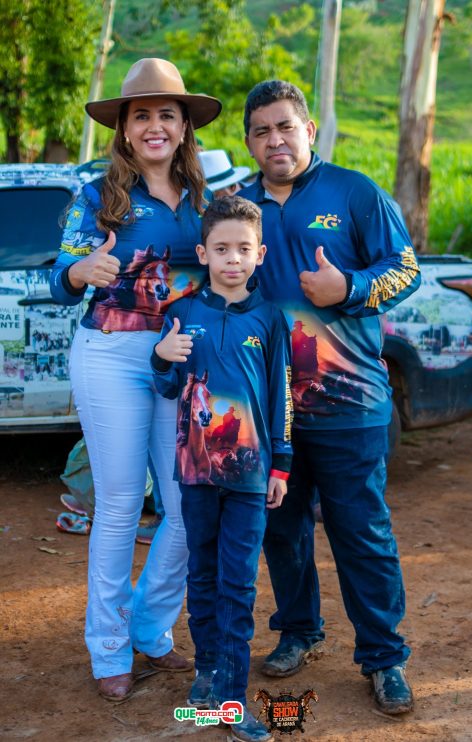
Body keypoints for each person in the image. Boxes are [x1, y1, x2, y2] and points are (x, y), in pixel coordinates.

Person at [240, 80, 421, 715]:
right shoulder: (237, 206)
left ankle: (384, 657)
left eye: (285, 126)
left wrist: (348, 285)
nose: (275, 139)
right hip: (270, 410)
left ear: (309, 129)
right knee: (281, 530)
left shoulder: (355, 193)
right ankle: (299, 631)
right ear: (249, 141)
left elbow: (405, 268)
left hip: (350, 401)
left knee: (361, 532)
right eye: (261, 130)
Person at [49, 57, 221, 702]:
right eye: (140, 115)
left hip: (182, 358)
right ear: (123, 129)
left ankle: (151, 628)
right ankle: (108, 647)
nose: (154, 125)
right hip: (112, 355)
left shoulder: (206, 199)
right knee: (121, 505)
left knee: (184, 508)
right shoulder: (98, 196)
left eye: (165, 115)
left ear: (183, 127)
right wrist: (77, 273)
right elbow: (58, 276)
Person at [151, 196, 293, 742]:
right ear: (203, 252)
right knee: (202, 574)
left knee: (239, 581)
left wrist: (281, 465)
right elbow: (165, 387)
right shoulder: (184, 313)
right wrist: (162, 355)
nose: (232, 259)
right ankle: (206, 674)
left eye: (243, 248)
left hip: (252, 476)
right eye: (221, 248)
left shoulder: (270, 319)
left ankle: (232, 699)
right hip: (196, 474)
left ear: (260, 253)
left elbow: (281, 397)